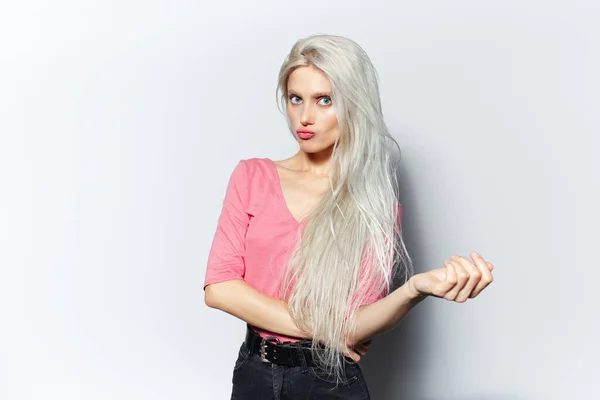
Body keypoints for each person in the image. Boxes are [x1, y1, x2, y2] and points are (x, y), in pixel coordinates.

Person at [203, 33, 495, 400]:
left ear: (354, 105)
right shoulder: (251, 177)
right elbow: (220, 288)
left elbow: (354, 328)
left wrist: (414, 289)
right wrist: (326, 330)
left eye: (324, 100)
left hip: (329, 382)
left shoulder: (374, 206)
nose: (305, 117)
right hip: (254, 376)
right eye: (296, 99)